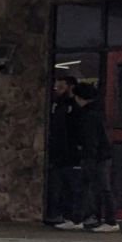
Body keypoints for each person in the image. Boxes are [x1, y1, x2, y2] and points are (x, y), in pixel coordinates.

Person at [73, 80, 119, 232]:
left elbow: (91, 140)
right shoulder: (97, 112)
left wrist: (88, 157)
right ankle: (82, 218)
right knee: (91, 187)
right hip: (100, 156)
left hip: (95, 157)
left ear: (80, 97)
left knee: (100, 188)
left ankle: (110, 221)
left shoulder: (88, 115)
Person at [45, 73, 81, 228]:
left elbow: (74, 131)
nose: (57, 90)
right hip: (58, 152)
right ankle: (56, 214)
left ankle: (71, 216)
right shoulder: (56, 105)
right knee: (56, 186)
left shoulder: (74, 107)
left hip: (71, 153)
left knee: (70, 186)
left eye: (61, 87)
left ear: (70, 87)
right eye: (56, 87)